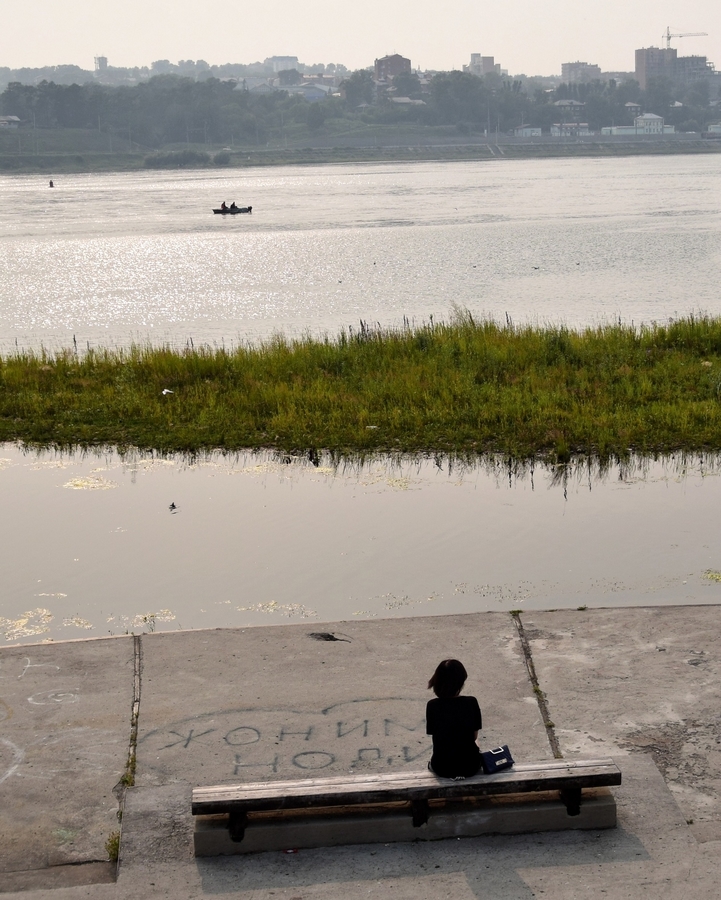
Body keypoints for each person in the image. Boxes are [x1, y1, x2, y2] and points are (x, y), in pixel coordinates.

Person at [426, 659, 482, 778]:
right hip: (470, 766)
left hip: (442, 767)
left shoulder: (432, 706)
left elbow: (436, 736)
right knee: (476, 743)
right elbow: (474, 736)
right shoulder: (471, 702)